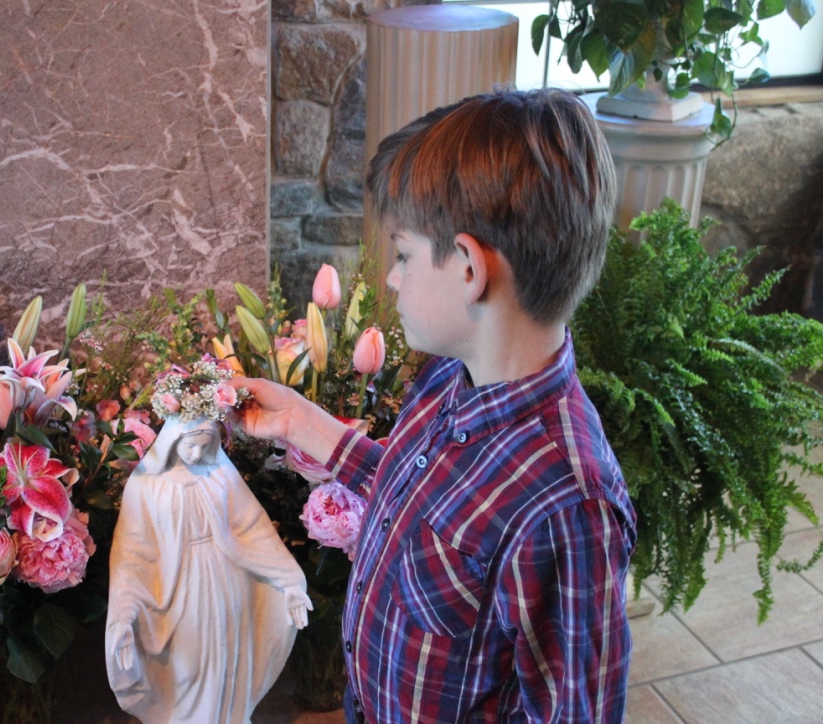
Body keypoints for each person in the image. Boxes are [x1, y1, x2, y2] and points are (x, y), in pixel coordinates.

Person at [232, 89, 636, 722]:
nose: (392, 277)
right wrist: (302, 422)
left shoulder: (566, 507)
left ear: (470, 269)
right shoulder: (451, 372)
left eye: (403, 254)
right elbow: (420, 500)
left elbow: (574, 710)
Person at [105, 416, 311, 724]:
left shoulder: (220, 473)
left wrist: (290, 582)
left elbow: (253, 528)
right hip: (180, 590)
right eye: (190, 446)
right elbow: (131, 553)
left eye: (204, 447)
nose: (196, 454)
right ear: (172, 441)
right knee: (186, 666)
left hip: (225, 581)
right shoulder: (147, 483)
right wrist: (123, 616)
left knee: (226, 658)